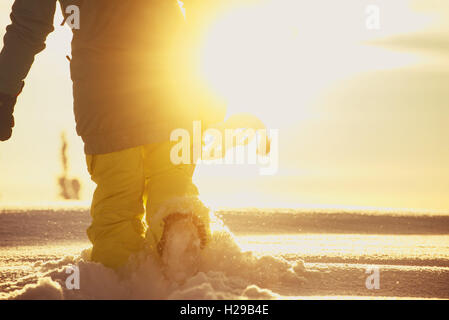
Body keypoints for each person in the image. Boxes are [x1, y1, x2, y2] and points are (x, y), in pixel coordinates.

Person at [0, 0, 228, 274]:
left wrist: (4, 93)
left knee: (117, 209)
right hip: (172, 86)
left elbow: (27, 26)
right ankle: (181, 256)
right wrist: (209, 85)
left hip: (105, 100)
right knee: (173, 190)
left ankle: (119, 279)